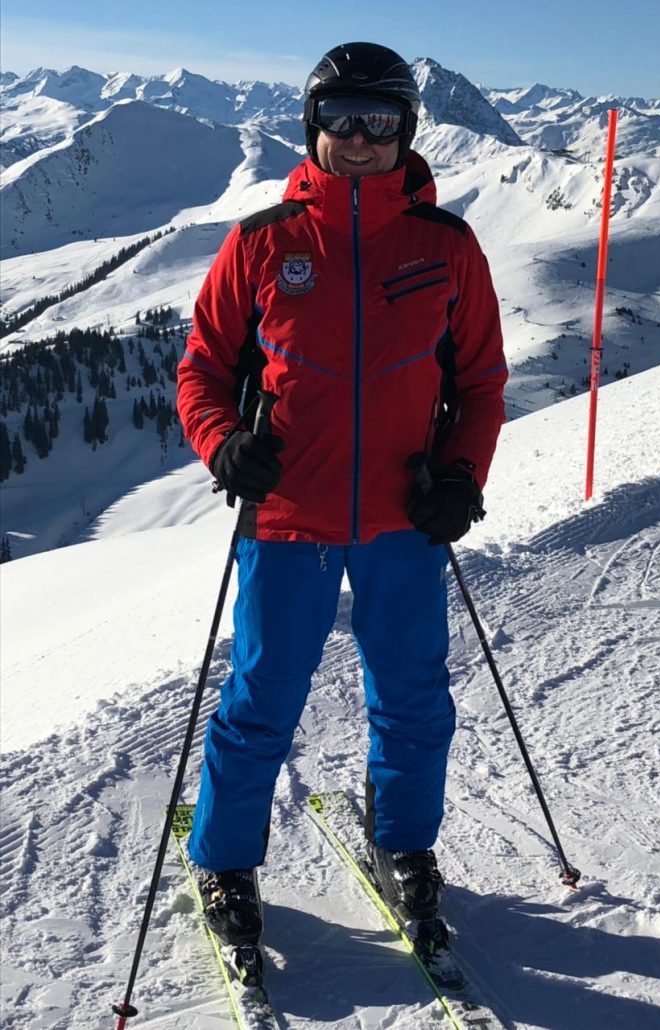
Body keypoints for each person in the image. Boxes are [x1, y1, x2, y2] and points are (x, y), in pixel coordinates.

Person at [177, 41, 507, 956]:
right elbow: (201, 369)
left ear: (407, 131)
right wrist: (223, 442)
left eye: (380, 121)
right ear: (311, 126)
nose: (360, 139)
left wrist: (461, 476)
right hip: (287, 515)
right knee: (261, 698)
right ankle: (224, 859)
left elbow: (481, 383)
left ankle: (402, 843)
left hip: (405, 516)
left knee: (413, 698)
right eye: (340, 119)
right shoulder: (262, 241)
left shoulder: (445, 245)